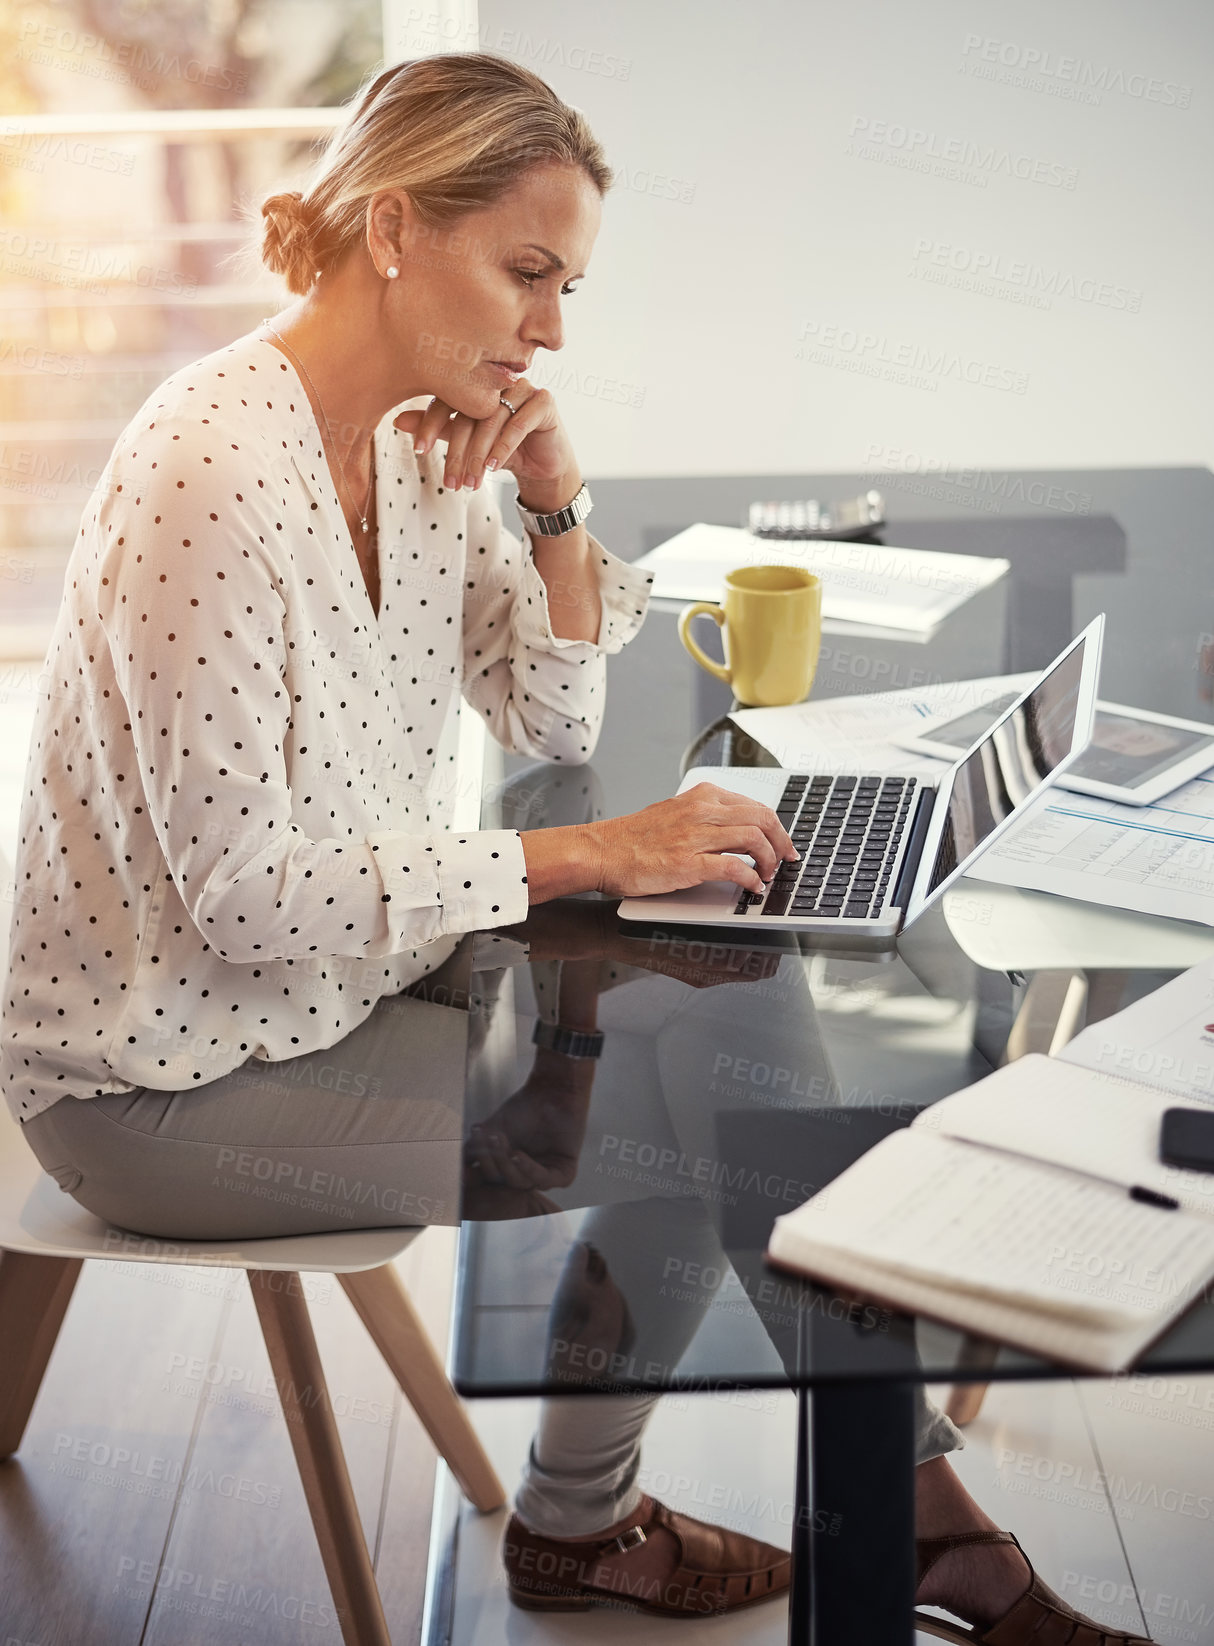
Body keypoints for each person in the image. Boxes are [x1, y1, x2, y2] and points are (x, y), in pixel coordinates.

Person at [0, 54, 1151, 1645]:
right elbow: (245, 898)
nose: (550, 328)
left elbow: (544, 709)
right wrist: (585, 856)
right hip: (166, 1076)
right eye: (526, 272)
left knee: (731, 996)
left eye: (565, 282)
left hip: (348, 984)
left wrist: (552, 499)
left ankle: (866, 1513)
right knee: (703, 1119)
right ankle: (720, 1520)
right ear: (394, 226)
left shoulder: (424, 442)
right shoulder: (211, 469)